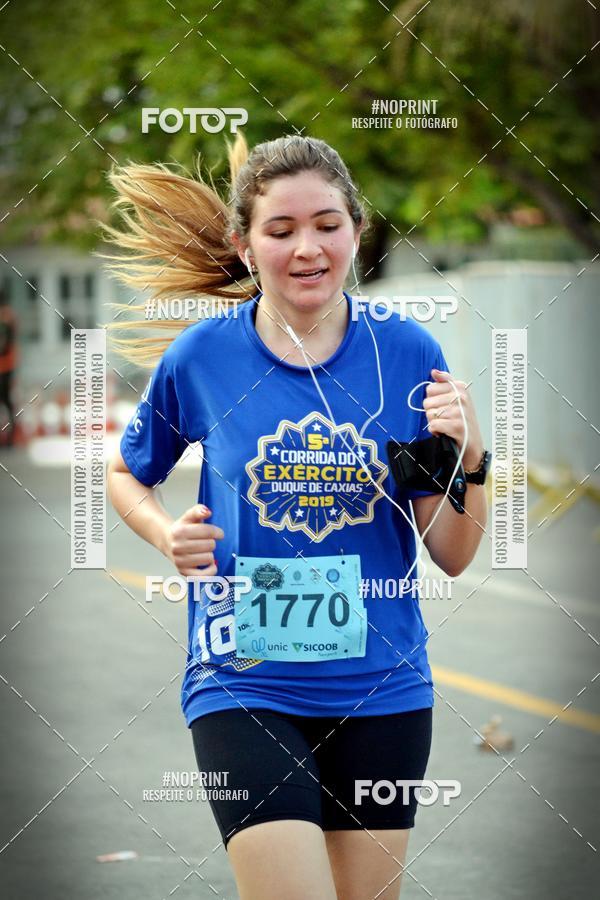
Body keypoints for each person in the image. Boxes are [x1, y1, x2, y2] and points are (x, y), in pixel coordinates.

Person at [104, 132, 488, 900]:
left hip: (382, 689)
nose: (306, 248)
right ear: (246, 247)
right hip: (242, 684)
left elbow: (450, 551)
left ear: (356, 230)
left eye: (326, 225)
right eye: (280, 231)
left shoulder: (407, 354)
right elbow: (126, 471)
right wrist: (164, 533)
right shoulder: (202, 358)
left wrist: (472, 455)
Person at [0, 285, 18, 447]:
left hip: (5, 365)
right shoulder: (10, 315)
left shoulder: (6, 316)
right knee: (7, 402)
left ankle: (9, 437)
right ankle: (10, 437)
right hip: (9, 365)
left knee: (5, 401)